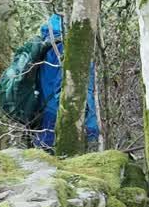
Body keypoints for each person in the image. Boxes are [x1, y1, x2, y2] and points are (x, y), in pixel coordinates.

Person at [35, 14, 100, 151]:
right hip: (63, 115)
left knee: (44, 162)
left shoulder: (45, 49)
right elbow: (66, 88)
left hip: (45, 113)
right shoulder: (69, 49)